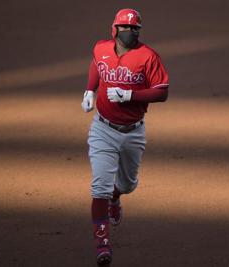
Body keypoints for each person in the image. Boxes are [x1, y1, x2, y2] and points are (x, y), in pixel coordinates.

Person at [81, 8, 169, 266]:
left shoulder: (148, 57)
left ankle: (116, 198)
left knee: (128, 184)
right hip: (103, 129)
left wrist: (130, 95)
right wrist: (89, 90)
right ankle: (102, 245)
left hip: (133, 131)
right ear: (115, 29)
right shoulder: (101, 48)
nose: (130, 32)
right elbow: (97, 65)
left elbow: (162, 92)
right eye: (125, 27)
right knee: (99, 188)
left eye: (134, 29)